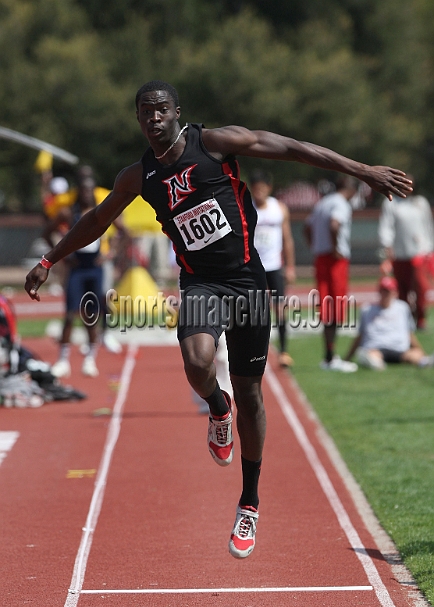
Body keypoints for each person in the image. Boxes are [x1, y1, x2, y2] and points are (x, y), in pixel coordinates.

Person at [25, 80, 413, 559]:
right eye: (145, 112)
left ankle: (249, 502)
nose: (153, 118)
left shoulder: (214, 144)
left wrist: (363, 170)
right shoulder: (138, 176)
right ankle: (216, 406)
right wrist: (49, 259)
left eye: (161, 110)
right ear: (138, 119)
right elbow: (96, 219)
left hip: (248, 280)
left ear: (176, 113)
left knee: (252, 391)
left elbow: (293, 149)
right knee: (196, 362)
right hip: (201, 284)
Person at [304, 176, 359, 372]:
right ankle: (331, 356)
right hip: (335, 260)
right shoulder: (341, 203)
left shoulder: (322, 203)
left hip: (321, 258)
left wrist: (314, 245)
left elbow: (307, 226)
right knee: (336, 306)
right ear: (351, 189)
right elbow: (335, 224)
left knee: (326, 306)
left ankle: (328, 353)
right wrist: (335, 247)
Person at [50, 177, 103, 378]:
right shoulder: (68, 213)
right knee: (70, 314)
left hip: (94, 268)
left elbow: (123, 231)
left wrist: (111, 252)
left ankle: (90, 358)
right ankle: (63, 360)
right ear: (78, 192)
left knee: (91, 316)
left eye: (90, 190)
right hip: (77, 268)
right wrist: (62, 255)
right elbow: (48, 231)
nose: (87, 194)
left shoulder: (102, 211)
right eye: (83, 190)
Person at [250, 169, 296, 368]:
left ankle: (284, 351)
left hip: (274, 266)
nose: (258, 192)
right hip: (253, 267)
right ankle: (256, 352)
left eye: (261, 188)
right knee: (256, 312)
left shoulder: (279, 209)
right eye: (255, 189)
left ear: (268, 188)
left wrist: (291, 266)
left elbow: (287, 239)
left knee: (280, 308)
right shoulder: (246, 208)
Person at [378, 176, 434, 330]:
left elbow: (428, 226)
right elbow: (386, 227)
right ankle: (406, 318)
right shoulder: (391, 203)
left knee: (421, 287)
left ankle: (421, 318)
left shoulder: (420, 202)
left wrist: (430, 248)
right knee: (402, 289)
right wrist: (387, 246)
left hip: (419, 253)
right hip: (400, 253)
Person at [345, 276, 434, 369]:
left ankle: (425, 362)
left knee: (414, 355)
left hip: (399, 348)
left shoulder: (402, 308)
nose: (385, 294)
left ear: (395, 292)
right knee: (370, 355)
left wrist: (422, 353)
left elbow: (409, 334)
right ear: (379, 292)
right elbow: (361, 335)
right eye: (383, 291)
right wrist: (348, 357)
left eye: (388, 291)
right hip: (376, 347)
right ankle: (375, 363)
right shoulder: (367, 309)